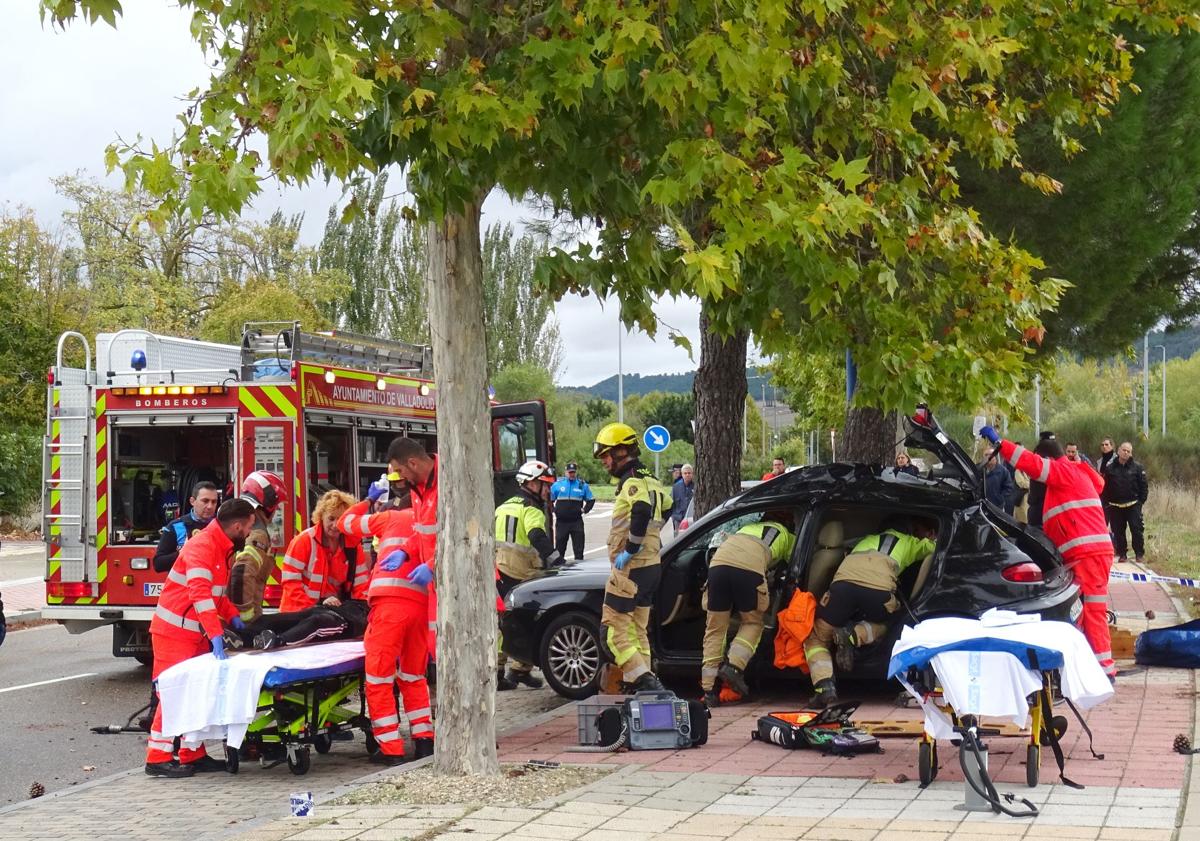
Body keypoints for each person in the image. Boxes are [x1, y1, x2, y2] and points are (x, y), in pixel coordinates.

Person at [981, 425, 1117, 679]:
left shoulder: (1063, 472)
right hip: (1087, 552)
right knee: (1086, 608)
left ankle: (1102, 669)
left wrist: (1001, 444)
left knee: (1092, 609)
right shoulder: (1073, 477)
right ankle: (1094, 665)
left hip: (1087, 553)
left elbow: (1032, 464)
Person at [338, 437, 439, 765]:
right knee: (413, 676)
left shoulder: (387, 519)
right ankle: (424, 740)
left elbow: (346, 525)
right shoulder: (422, 514)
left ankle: (391, 749)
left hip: (390, 606)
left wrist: (367, 502)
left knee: (379, 677)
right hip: (421, 606)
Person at [145, 498, 257, 777]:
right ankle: (157, 757)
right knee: (171, 693)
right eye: (249, 528)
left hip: (190, 632)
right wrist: (217, 633)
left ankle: (191, 753)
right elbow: (200, 594)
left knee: (193, 692)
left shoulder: (221, 548)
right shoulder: (202, 547)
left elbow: (216, 594)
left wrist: (232, 615)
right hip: (173, 632)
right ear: (238, 526)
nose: (249, 534)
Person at [803, 517, 938, 707]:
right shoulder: (910, 542)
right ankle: (853, 635)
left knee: (817, 638)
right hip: (878, 592)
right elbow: (935, 548)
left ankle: (824, 687)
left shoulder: (864, 540)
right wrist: (931, 537)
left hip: (842, 588)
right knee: (889, 623)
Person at [593, 422, 672, 691]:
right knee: (638, 631)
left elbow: (640, 510)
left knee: (613, 634)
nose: (604, 462)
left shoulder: (632, 480)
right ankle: (639, 686)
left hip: (631, 568)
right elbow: (669, 508)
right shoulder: (652, 480)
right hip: (651, 566)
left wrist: (630, 549)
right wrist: (651, 541)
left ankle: (645, 682)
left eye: (606, 455)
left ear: (621, 451)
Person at [701, 516, 796, 707]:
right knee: (753, 622)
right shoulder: (786, 534)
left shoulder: (746, 528)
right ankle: (734, 667)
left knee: (715, 629)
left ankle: (709, 690)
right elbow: (794, 566)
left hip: (717, 567)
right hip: (749, 570)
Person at [495, 460, 560, 690]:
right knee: (527, 621)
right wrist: (556, 560)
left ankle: (510, 671)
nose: (548, 490)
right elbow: (537, 537)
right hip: (524, 573)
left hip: (500, 572)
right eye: (544, 484)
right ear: (531, 484)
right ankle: (512, 670)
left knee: (505, 623)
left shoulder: (503, 507)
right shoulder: (531, 509)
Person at [228, 470, 287, 623]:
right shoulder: (257, 534)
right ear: (268, 503)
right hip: (244, 618)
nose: (276, 510)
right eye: (276, 505)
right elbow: (241, 572)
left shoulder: (240, 525)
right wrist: (246, 617)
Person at [152, 481, 220, 572]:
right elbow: (158, 564)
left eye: (214, 502)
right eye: (205, 501)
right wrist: (184, 552)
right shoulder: (176, 526)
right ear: (192, 501)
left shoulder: (222, 525)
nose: (210, 506)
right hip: (185, 585)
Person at [1103, 441, 1149, 563]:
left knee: (1137, 529)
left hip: (1133, 505)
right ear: (1118, 451)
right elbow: (1105, 487)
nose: (1126, 453)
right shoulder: (1110, 468)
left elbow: (1144, 486)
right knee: (1118, 532)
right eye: (1124, 450)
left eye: (1128, 451)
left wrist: (1140, 502)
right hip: (1115, 506)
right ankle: (1122, 554)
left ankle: (1139, 553)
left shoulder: (1137, 467)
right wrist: (1107, 503)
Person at [550, 461, 594, 562]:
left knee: (579, 549)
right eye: (569, 472)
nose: (571, 474)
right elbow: (549, 499)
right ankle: (558, 570)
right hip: (562, 523)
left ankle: (579, 572)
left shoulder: (582, 485)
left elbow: (591, 500)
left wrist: (584, 510)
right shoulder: (557, 485)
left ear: (576, 472)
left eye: (573, 472)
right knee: (560, 548)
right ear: (565, 472)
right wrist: (554, 510)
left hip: (576, 522)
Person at [670, 463, 695, 534]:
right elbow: (671, 503)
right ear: (682, 474)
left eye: (689, 473)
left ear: (692, 474)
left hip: (691, 519)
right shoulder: (676, 487)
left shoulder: (696, 486)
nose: (687, 475)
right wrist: (674, 517)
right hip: (678, 520)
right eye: (685, 473)